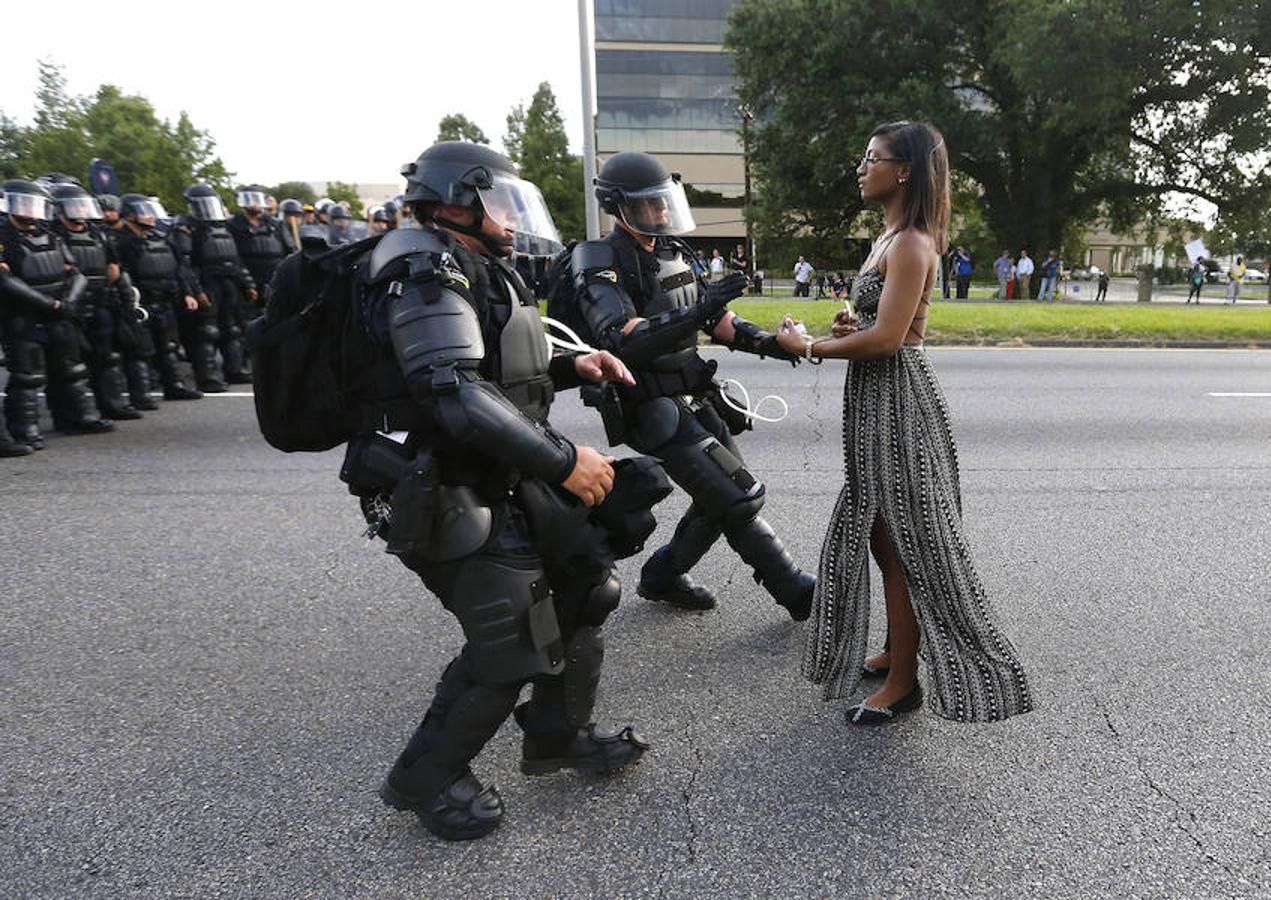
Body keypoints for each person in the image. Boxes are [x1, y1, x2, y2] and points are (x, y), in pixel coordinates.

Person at [326, 141, 650, 842]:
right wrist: (566, 462)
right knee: (512, 637)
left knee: (587, 584)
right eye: (498, 199)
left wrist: (572, 365)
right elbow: (453, 392)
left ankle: (558, 733)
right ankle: (426, 778)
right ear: (456, 200)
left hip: (497, 470)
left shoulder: (470, 263)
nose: (510, 215)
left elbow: (495, 367)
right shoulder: (420, 267)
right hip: (437, 483)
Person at [775, 121, 1033, 726]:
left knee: (906, 541)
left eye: (873, 158)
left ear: (905, 171)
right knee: (878, 532)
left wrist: (808, 346)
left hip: (899, 402)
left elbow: (891, 339)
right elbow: (876, 324)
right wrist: (848, 326)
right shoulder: (888, 238)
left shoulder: (914, 242)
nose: (862, 168)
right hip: (875, 399)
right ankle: (898, 648)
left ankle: (904, 681)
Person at [571, 150, 816, 619]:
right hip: (648, 404)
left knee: (721, 496)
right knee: (737, 495)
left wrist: (775, 345)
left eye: (664, 202)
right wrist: (700, 311)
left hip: (693, 394)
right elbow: (620, 339)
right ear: (618, 206)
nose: (662, 212)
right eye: (650, 204)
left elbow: (719, 321)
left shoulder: (672, 253)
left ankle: (662, 575)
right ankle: (797, 592)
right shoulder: (598, 258)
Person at [0, 179, 114, 447]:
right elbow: (6, 280)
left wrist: (67, 302)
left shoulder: (51, 235)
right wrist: (49, 305)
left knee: (71, 368)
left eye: (33, 203)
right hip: (24, 315)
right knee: (28, 376)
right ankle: (24, 429)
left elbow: (75, 272)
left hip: (60, 312)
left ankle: (78, 417)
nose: (29, 210)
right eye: (23, 203)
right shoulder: (4, 237)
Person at [49, 182, 142, 420]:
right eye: (74, 206)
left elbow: (113, 266)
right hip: (69, 305)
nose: (80, 211)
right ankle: (70, 415)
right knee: (69, 364)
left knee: (106, 357)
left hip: (100, 302)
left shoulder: (97, 232)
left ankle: (111, 404)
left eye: (82, 205)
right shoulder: (52, 234)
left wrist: (120, 296)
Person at [115, 194, 203, 403]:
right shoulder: (121, 242)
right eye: (144, 212)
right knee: (140, 350)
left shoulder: (161, 238)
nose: (150, 217)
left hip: (165, 300)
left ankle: (175, 386)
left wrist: (187, 293)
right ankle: (141, 395)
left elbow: (179, 268)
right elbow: (118, 274)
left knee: (169, 346)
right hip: (140, 303)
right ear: (129, 215)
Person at [172, 184, 256, 388]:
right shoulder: (186, 228)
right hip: (207, 282)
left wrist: (247, 284)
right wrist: (195, 291)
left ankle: (235, 370)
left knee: (233, 329)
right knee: (206, 331)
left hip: (229, 282)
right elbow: (184, 264)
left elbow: (236, 259)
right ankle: (208, 377)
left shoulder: (224, 227)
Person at [227, 186, 288, 305]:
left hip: (275, 277)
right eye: (250, 200)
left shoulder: (276, 224)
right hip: (248, 278)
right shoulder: (233, 224)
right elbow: (232, 256)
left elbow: (289, 251)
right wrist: (247, 283)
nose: (254, 204)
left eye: (256, 199)